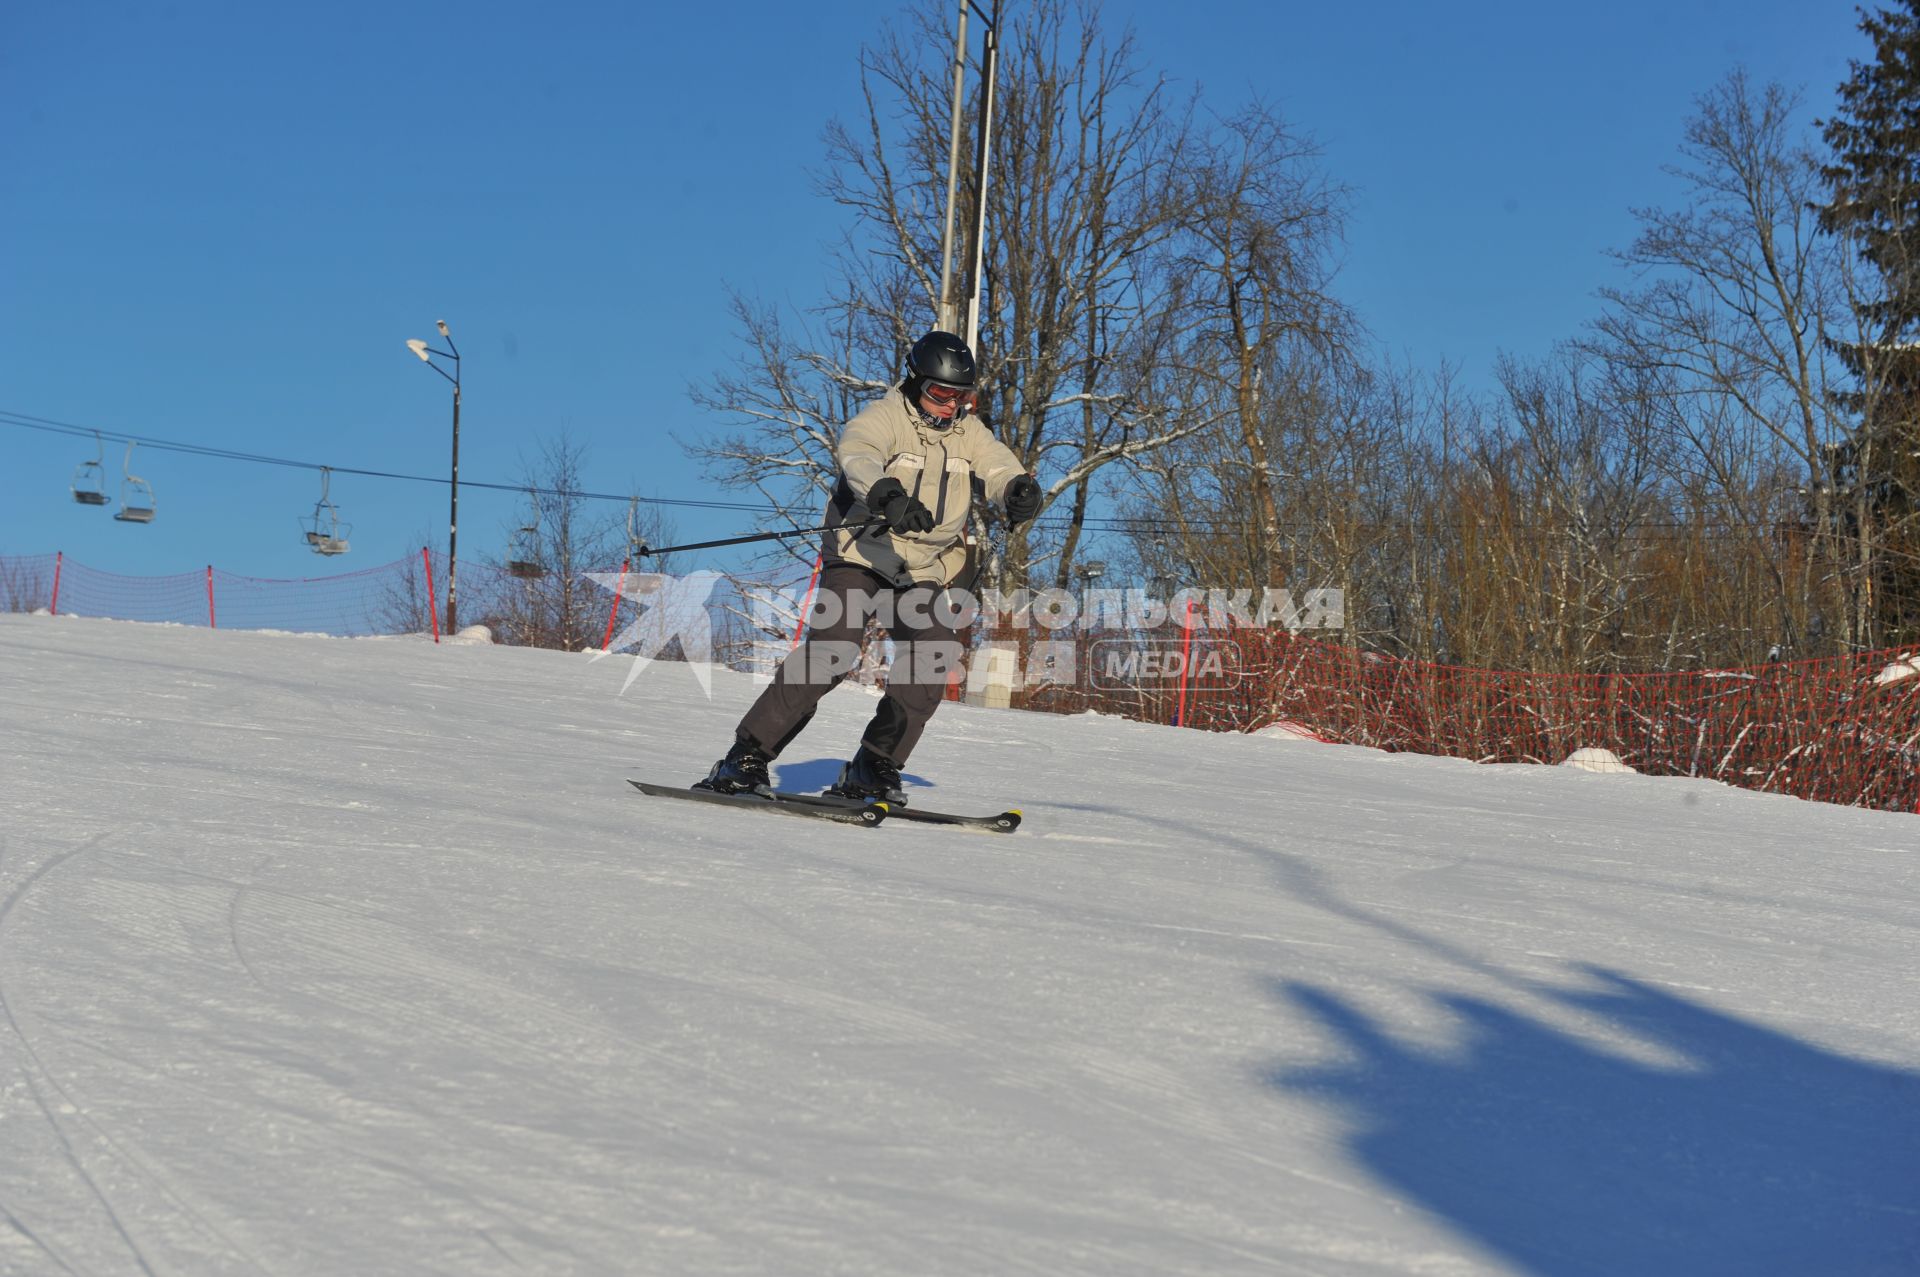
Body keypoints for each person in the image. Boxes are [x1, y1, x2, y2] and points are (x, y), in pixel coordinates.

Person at [697, 330, 1043, 804]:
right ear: (916, 383)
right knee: (834, 649)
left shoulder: (968, 432)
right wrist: (887, 495)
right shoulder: (884, 417)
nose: (950, 404)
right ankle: (746, 757)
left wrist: (1017, 488)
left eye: (961, 396)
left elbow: (998, 466)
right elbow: (858, 455)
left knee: (936, 651)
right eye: (939, 393)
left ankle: (874, 765)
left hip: (919, 568)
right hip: (860, 553)